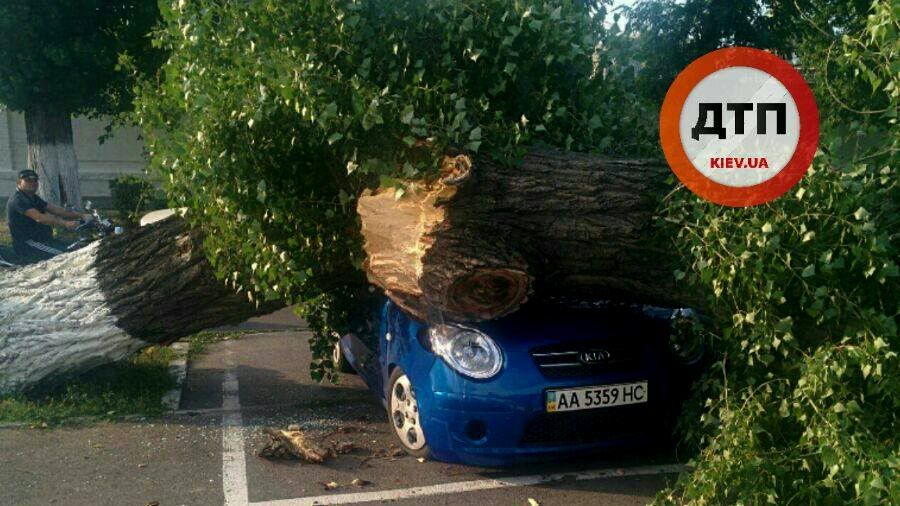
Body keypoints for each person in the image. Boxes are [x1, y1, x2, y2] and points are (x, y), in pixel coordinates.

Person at [5, 169, 90, 264]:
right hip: (29, 244)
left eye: (35, 180)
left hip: (44, 240)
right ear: (19, 183)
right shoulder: (18, 200)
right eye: (28, 180)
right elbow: (40, 218)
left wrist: (82, 215)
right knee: (67, 255)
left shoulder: (32, 197)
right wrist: (65, 223)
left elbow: (55, 210)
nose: (33, 183)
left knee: (78, 246)